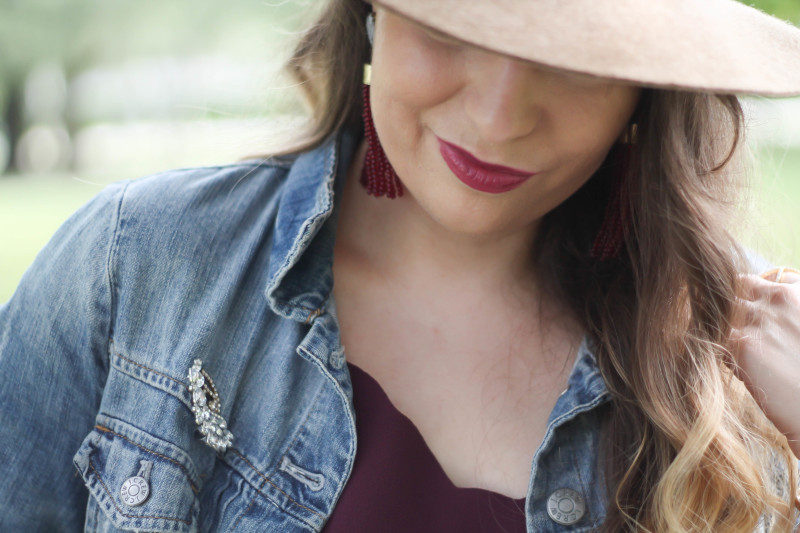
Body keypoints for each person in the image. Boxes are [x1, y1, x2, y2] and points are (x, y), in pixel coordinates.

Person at [1, 0, 800, 530]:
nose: (499, 116)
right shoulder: (137, 264)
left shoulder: (742, 373)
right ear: (372, 15)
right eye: (454, 24)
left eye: (577, 57)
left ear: (645, 86)